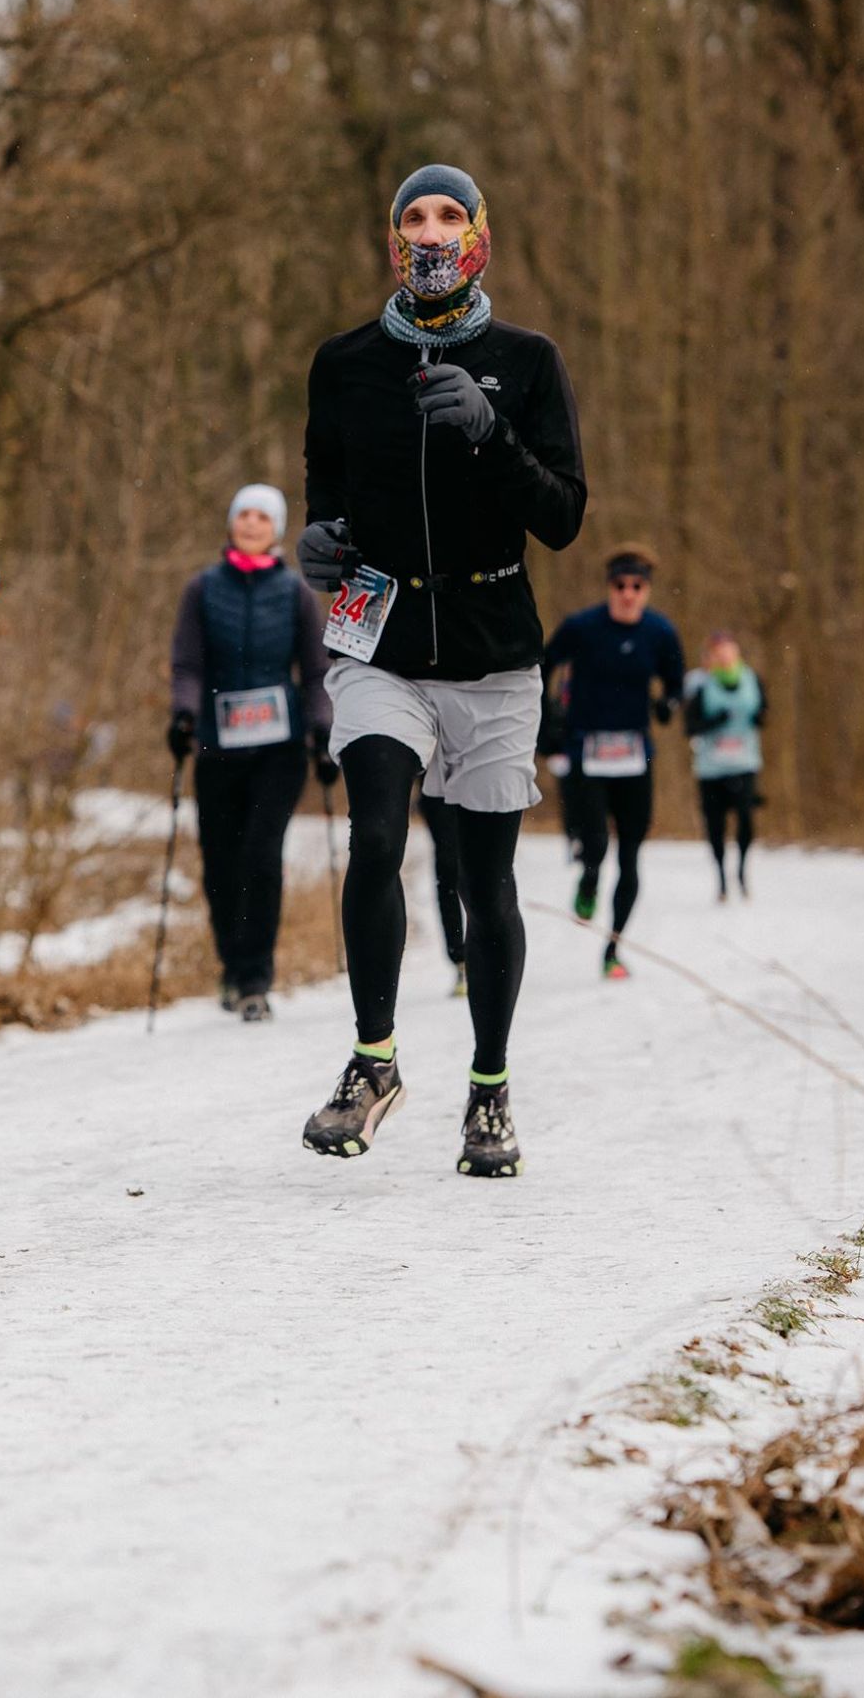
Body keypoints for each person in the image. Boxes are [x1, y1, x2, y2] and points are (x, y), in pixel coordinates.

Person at [296, 162, 586, 1178]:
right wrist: (320, 544)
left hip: (493, 647)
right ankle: (373, 1063)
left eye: (448, 215)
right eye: (413, 217)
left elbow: (564, 515)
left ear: (478, 236)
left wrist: (491, 433)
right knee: (376, 835)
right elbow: (324, 490)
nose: (430, 232)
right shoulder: (344, 362)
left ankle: (489, 1088)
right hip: (380, 640)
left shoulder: (528, 360)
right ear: (393, 241)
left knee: (481, 879)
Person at [169, 485, 332, 1022]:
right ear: (232, 523)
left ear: (276, 529)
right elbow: (188, 665)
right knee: (220, 861)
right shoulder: (202, 589)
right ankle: (232, 966)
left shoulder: (295, 592)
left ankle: (257, 978)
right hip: (217, 746)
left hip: (279, 752)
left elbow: (315, 672)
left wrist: (323, 731)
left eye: (263, 516)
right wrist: (183, 715)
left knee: (261, 856)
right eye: (244, 514)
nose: (252, 523)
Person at [542, 547, 684, 980]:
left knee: (631, 854)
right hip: (586, 751)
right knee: (597, 845)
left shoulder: (660, 632)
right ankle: (588, 878)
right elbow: (542, 667)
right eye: (620, 585)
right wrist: (548, 724)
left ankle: (613, 948)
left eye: (637, 586)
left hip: (635, 755)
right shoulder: (582, 627)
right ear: (610, 587)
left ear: (647, 590)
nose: (628, 593)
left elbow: (676, 683)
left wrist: (667, 705)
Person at [683, 632, 766, 901]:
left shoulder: (752, 680)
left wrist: (758, 717)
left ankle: (741, 871)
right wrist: (715, 721)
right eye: (719, 654)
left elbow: (764, 712)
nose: (725, 659)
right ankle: (721, 878)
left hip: (744, 764)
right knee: (715, 826)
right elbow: (690, 727)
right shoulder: (701, 687)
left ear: (737, 654)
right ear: (710, 659)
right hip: (711, 770)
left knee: (745, 818)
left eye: (729, 652)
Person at [417, 788, 467, 996]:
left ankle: (489, 955)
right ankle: (460, 960)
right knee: (448, 868)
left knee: (482, 873)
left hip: (481, 782)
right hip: (437, 790)